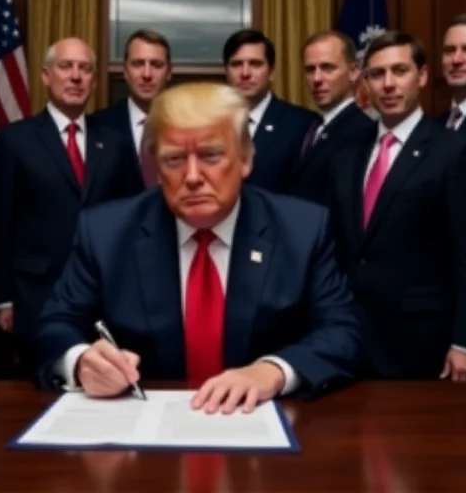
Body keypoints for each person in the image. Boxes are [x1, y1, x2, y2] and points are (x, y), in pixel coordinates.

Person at [33, 82, 361, 413]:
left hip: (262, 429)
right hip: (144, 431)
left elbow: (342, 331)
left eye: (211, 155)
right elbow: (54, 325)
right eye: (174, 159)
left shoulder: (301, 229)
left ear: (246, 159)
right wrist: (80, 361)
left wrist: (274, 371)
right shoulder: (106, 232)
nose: (192, 176)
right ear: (156, 168)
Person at [326, 31, 466, 380]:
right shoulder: (346, 155)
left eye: (400, 71)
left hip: (421, 340)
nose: (388, 84)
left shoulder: (454, 151)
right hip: (351, 335)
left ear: (423, 76)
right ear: (364, 81)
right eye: (377, 74)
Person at [0, 37, 143, 362]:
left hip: (103, 296)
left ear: (94, 81)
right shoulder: (15, 139)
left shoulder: (115, 143)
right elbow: (0, 224)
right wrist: (3, 300)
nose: (75, 76)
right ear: (45, 76)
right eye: (66, 67)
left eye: (85, 69)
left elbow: (133, 219)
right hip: (35, 296)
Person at [222, 29, 320, 193]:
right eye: (237, 64)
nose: (245, 73)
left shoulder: (303, 124)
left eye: (255, 64)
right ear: (226, 71)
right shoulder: (210, 121)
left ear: (272, 72)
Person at [290, 30, 375, 203]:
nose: (316, 78)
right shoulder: (308, 126)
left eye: (327, 68)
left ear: (353, 72)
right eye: (310, 69)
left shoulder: (363, 132)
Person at [89, 28, 172, 188]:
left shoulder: (187, 124)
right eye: (138, 64)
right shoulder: (97, 126)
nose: (147, 74)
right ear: (125, 71)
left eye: (156, 65)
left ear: (169, 72)